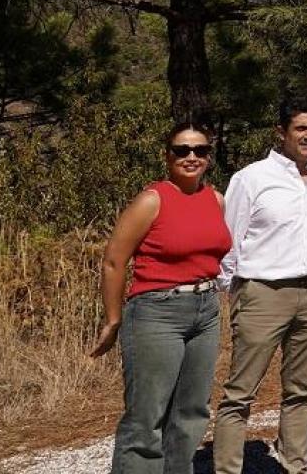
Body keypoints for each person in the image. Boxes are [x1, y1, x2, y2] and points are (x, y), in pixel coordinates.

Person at [92, 121, 231, 474]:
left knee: (191, 412)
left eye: (200, 150)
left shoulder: (215, 199)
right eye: (182, 150)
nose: (191, 157)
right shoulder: (151, 200)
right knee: (146, 417)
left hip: (206, 310)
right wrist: (113, 320)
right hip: (157, 312)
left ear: (209, 156)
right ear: (167, 156)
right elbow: (113, 261)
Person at [213, 100, 307, 474]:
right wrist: (231, 289)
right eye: (301, 128)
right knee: (240, 393)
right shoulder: (251, 178)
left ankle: (295, 465)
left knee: (301, 390)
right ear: (281, 132)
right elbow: (229, 239)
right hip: (263, 293)